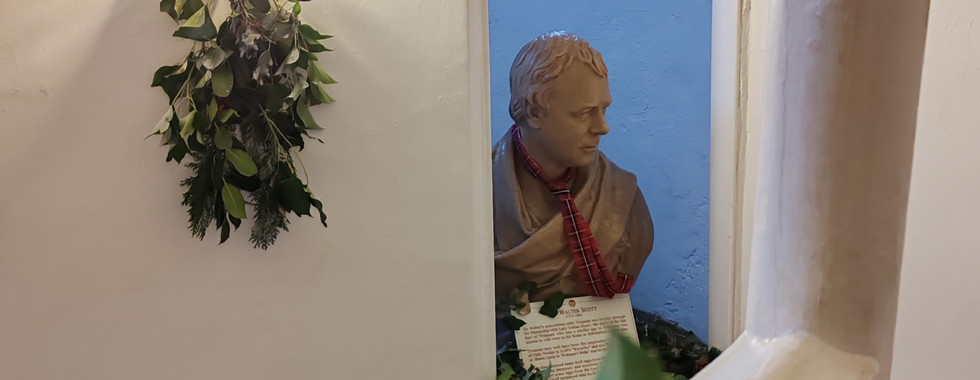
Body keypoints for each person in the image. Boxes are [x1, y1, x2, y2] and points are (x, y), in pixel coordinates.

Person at [493, 31, 655, 305]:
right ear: (534, 112)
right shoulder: (477, 196)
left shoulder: (624, 199)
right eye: (583, 114)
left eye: (604, 110)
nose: (603, 127)